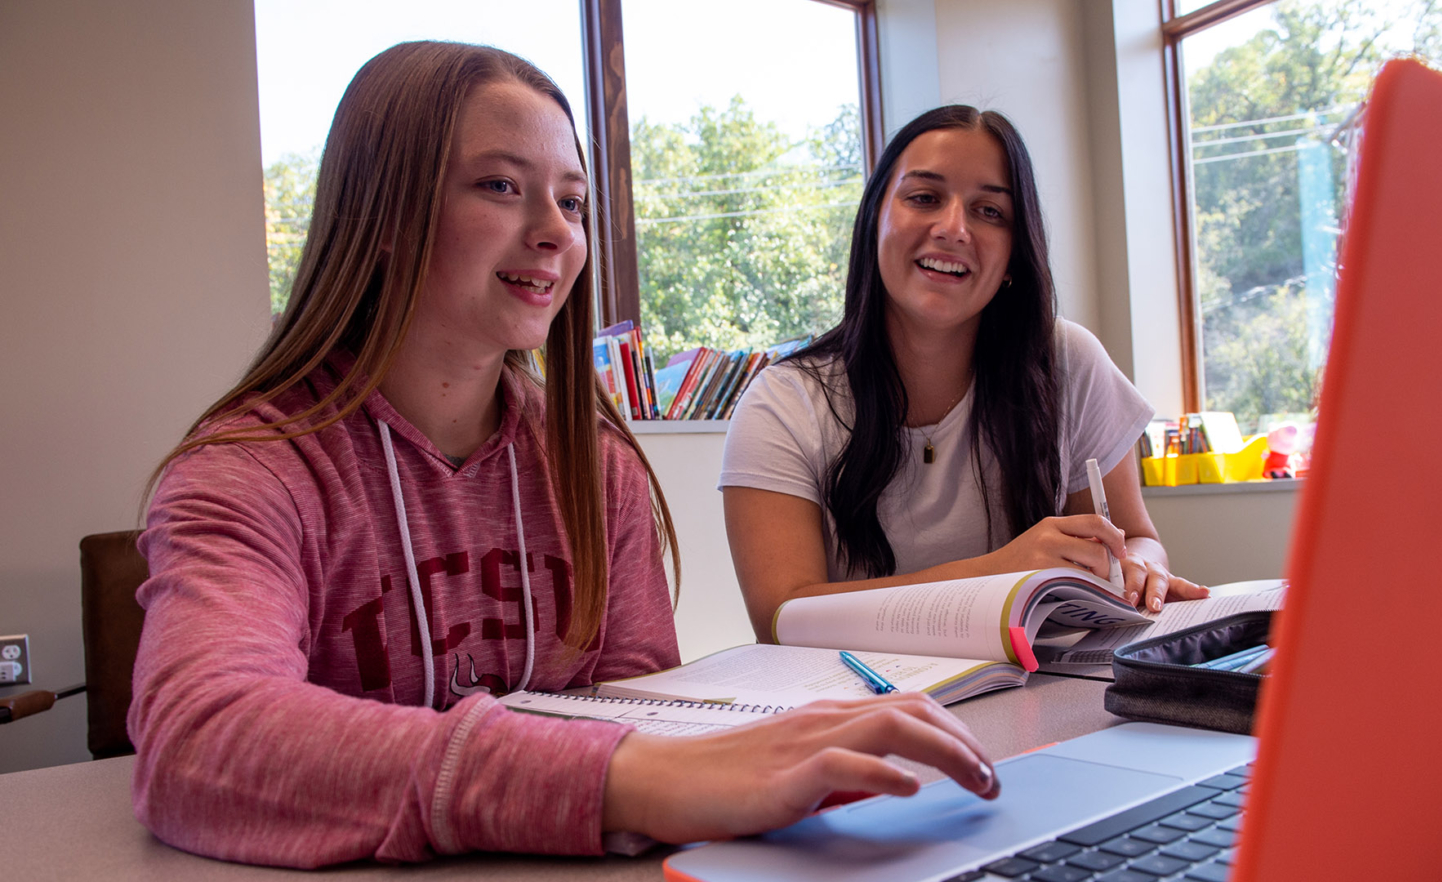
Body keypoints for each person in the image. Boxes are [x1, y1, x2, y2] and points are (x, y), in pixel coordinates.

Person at [129, 42, 998, 869]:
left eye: (573, 202)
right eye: (502, 186)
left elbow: (647, 711)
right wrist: (623, 780)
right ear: (383, 215)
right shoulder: (247, 470)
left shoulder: (596, 465)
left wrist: (703, 765)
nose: (556, 233)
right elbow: (200, 740)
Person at [721, 105, 1208, 641]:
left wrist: (1142, 567)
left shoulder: (1068, 360)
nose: (953, 229)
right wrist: (999, 572)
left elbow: (1138, 538)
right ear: (874, 219)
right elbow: (780, 618)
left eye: (990, 212)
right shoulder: (782, 404)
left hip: (1049, 695)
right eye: (924, 198)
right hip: (869, 709)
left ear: (1015, 254)